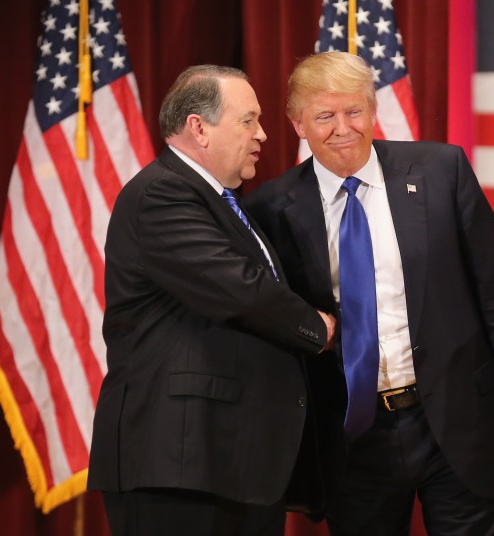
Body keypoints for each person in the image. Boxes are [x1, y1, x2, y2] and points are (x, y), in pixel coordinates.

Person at [245, 51, 494, 535]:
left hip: (459, 418)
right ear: (297, 123)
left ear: (373, 111)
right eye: (325, 116)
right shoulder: (270, 208)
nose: (343, 127)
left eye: (354, 111)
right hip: (353, 436)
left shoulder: (440, 171)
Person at [87, 65, 336, 536]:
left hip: (230, 464)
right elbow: (239, 289)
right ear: (198, 127)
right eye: (248, 120)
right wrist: (318, 328)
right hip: (179, 467)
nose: (263, 134)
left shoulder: (221, 202)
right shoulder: (163, 192)